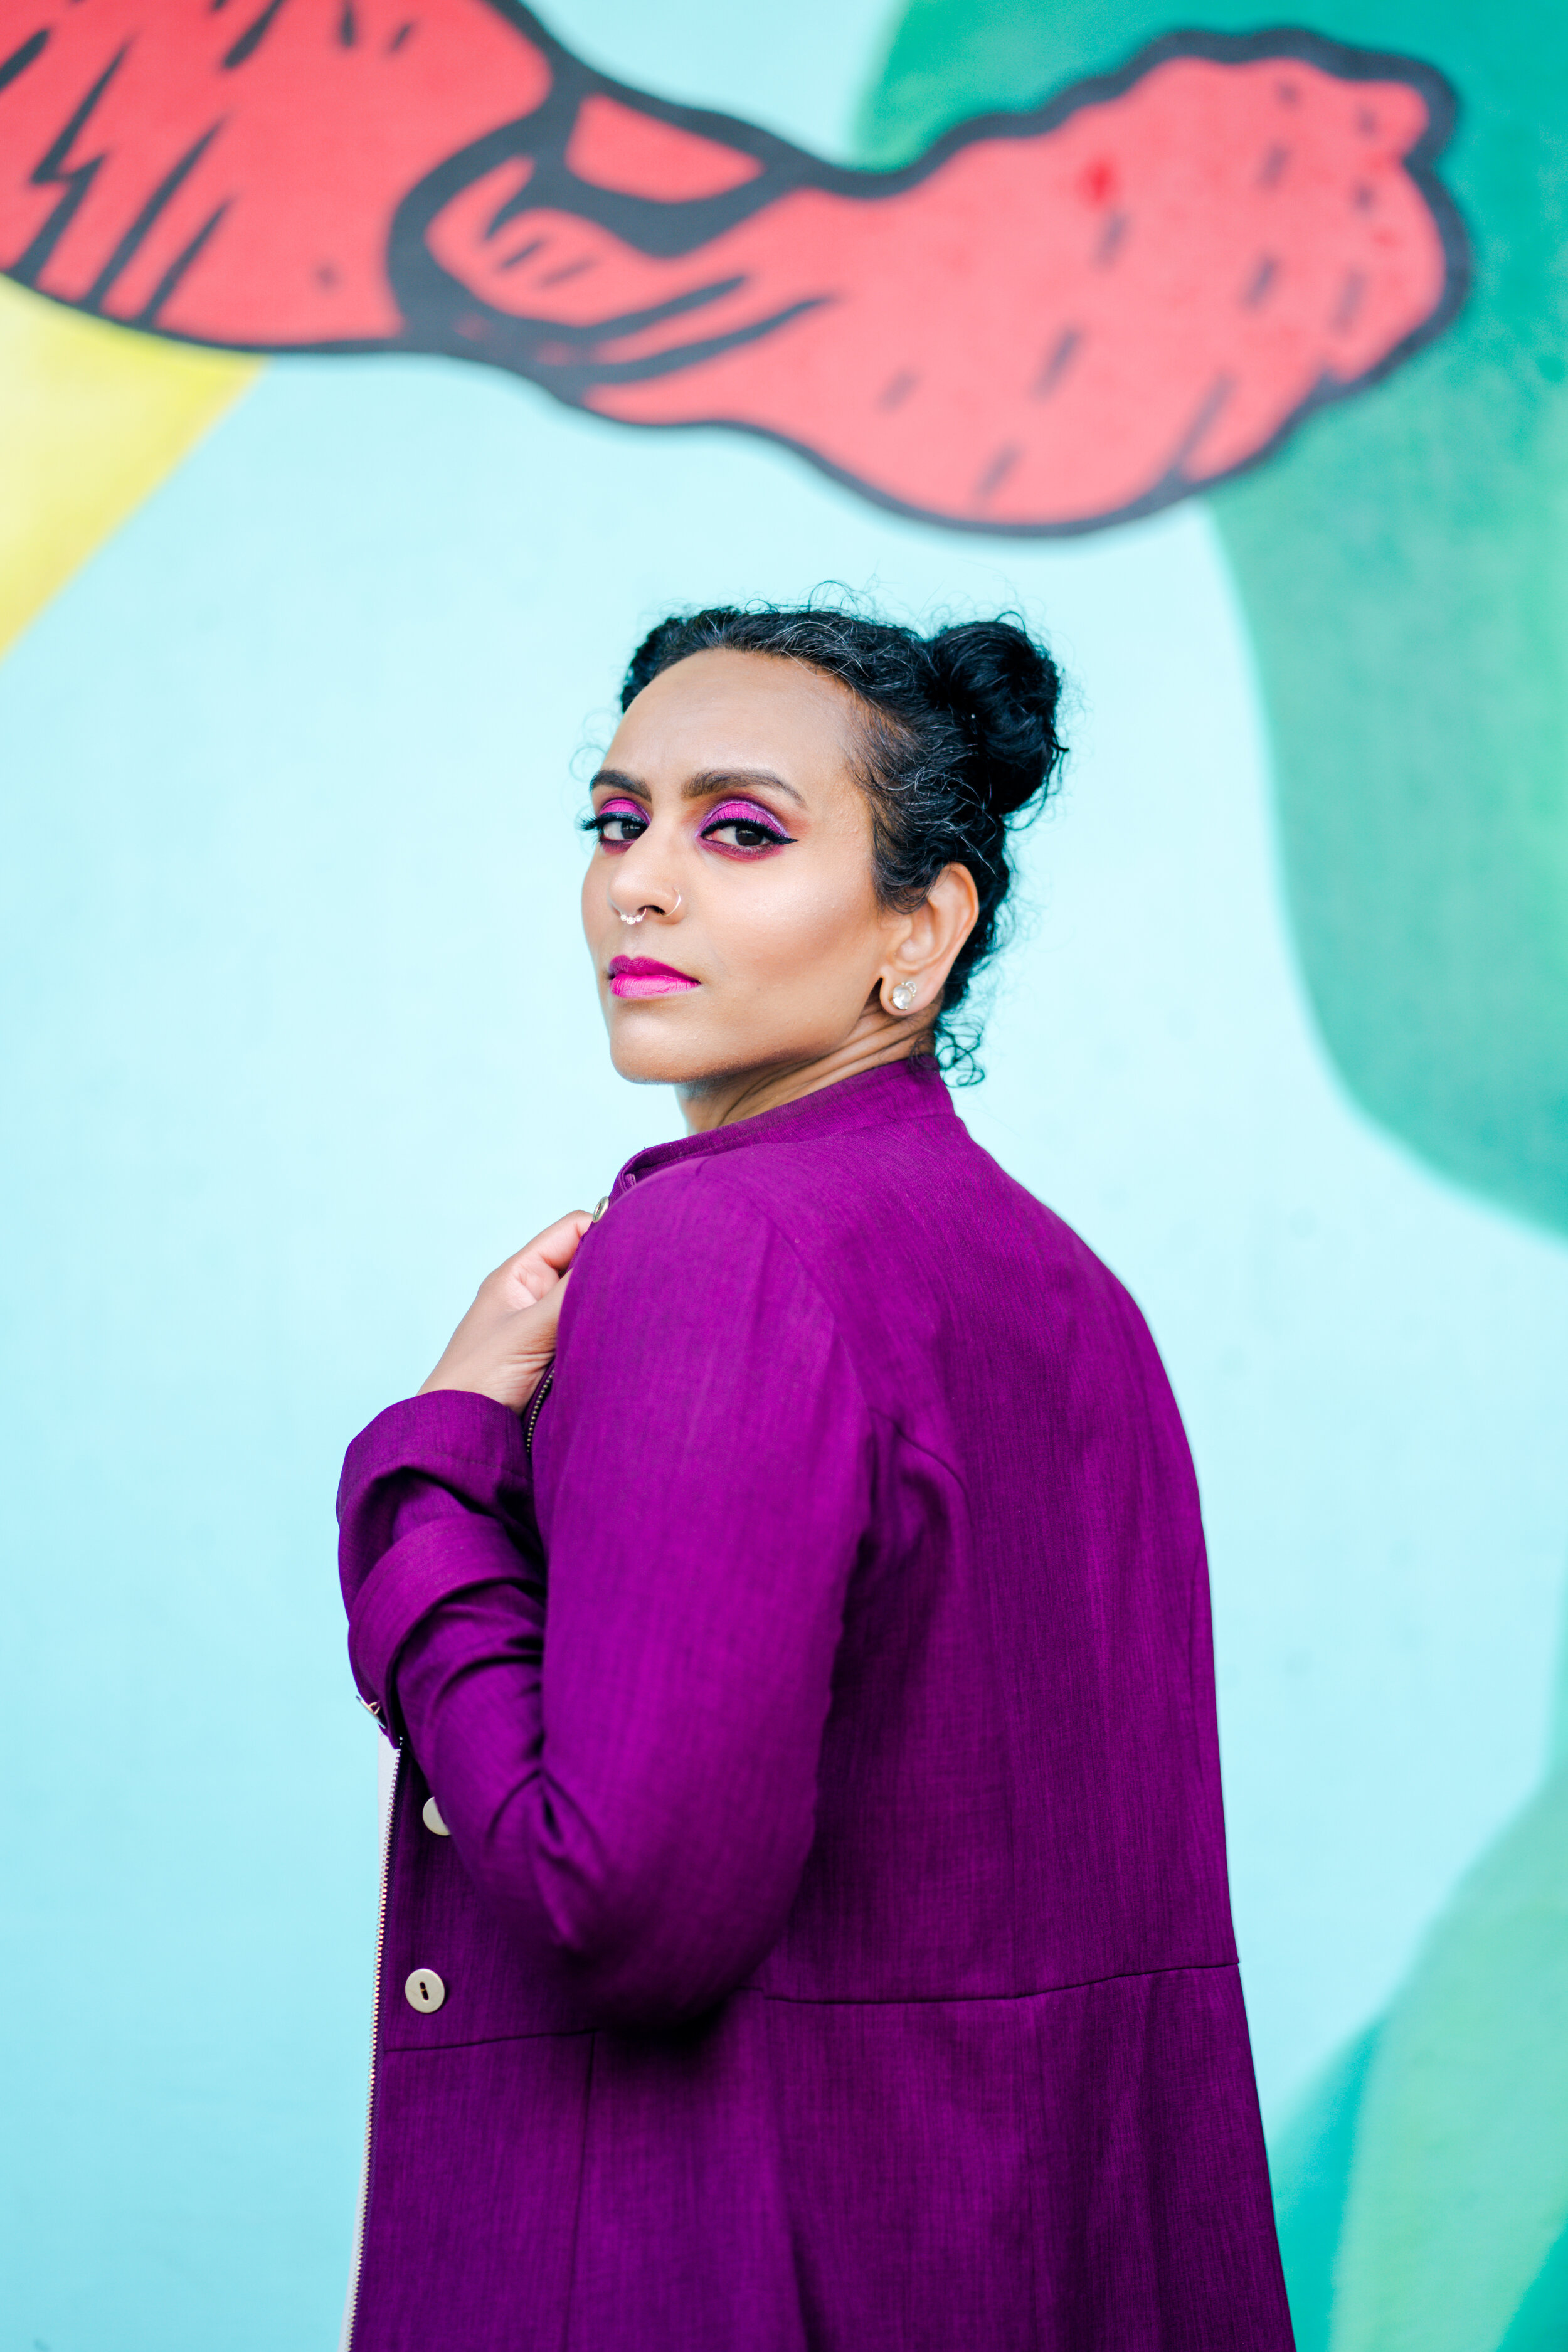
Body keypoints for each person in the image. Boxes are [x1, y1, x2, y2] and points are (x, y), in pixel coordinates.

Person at [335, 605, 1294, 2351]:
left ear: (917, 931)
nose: (640, 884)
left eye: (742, 830)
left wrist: (433, 1479)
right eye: (617, 822)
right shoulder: (1058, 1285)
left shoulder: (720, 1251)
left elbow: (615, 1905)